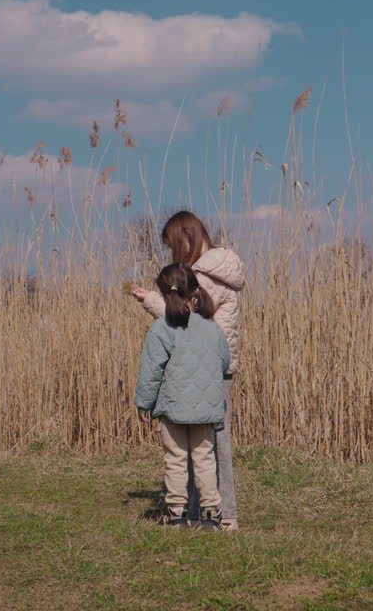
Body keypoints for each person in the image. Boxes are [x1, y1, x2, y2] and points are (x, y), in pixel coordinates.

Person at [131, 211, 247, 531]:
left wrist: (153, 300)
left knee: (206, 447)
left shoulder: (202, 274)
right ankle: (204, 513)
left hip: (203, 368)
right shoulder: (222, 268)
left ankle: (218, 515)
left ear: (185, 236)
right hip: (218, 365)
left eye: (172, 245)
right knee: (208, 445)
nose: (172, 254)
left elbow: (183, 322)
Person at [135, 262, 230, 529]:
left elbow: (151, 370)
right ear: (194, 292)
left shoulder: (161, 329)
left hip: (174, 409)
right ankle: (211, 514)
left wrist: (144, 404)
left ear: (165, 294)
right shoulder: (212, 328)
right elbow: (223, 362)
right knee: (204, 459)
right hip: (206, 410)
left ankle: (176, 514)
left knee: (175, 460)